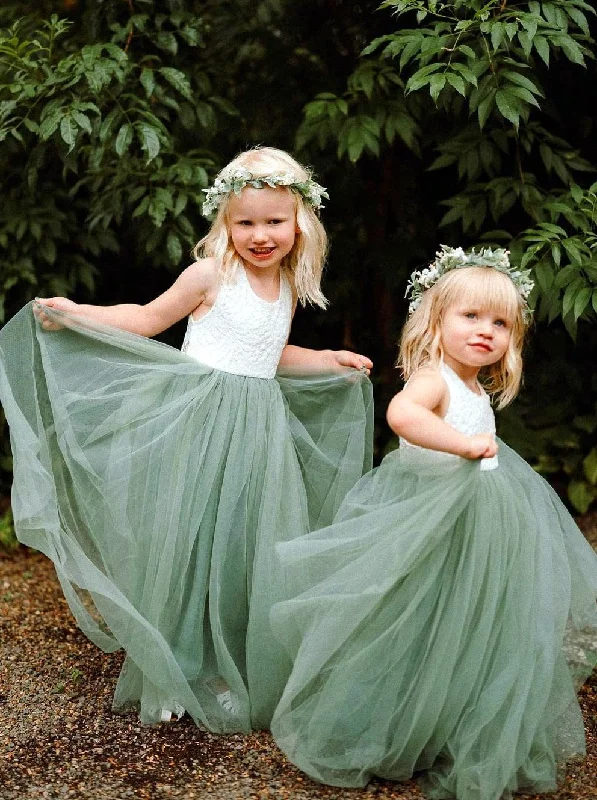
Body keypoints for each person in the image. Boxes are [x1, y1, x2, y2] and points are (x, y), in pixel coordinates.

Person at [0, 146, 373, 732]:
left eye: (274, 221)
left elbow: (269, 355)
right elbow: (147, 319)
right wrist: (79, 312)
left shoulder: (284, 286)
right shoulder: (211, 275)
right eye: (244, 221)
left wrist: (327, 359)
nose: (260, 235)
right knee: (188, 546)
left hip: (257, 435)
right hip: (199, 427)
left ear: (301, 221)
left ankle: (225, 662)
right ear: (224, 222)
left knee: (242, 548)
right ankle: (170, 667)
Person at [270, 245, 597, 800]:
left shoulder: (473, 387)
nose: (484, 331)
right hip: (430, 522)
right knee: (411, 619)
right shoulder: (434, 378)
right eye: (470, 316)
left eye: (500, 322)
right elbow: (403, 414)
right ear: (436, 320)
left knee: (469, 624)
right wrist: (462, 443)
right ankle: (390, 722)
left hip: (477, 528)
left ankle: (446, 718)